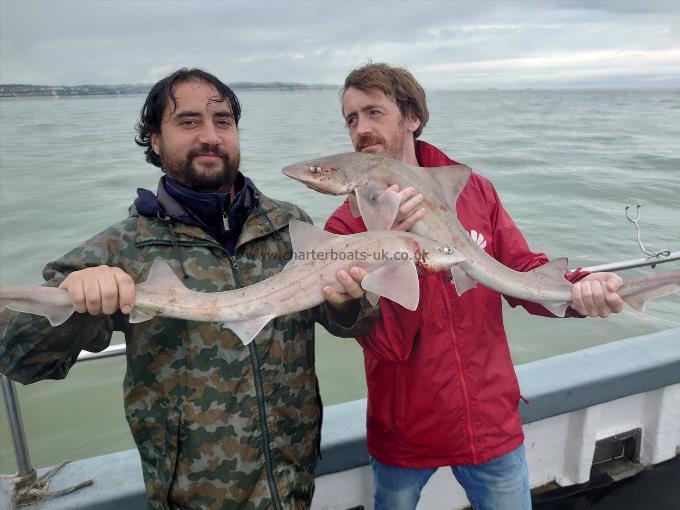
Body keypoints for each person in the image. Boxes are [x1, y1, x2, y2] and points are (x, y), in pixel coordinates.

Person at [0, 68, 378, 510]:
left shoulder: (288, 224)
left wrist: (351, 302)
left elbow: (348, 322)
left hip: (294, 482)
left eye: (223, 122)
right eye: (188, 121)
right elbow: (16, 355)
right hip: (194, 495)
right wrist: (82, 301)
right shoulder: (124, 247)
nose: (210, 135)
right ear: (154, 140)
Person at [324, 63, 625, 510]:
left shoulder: (473, 190)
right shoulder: (346, 224)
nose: (361, 129)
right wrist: (397, 256)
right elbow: (378, 341)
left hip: (489, 420)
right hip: (403, 428)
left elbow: (521, 270)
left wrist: (581, 290)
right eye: (351, 119)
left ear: (412, 118)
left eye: (373, 112)